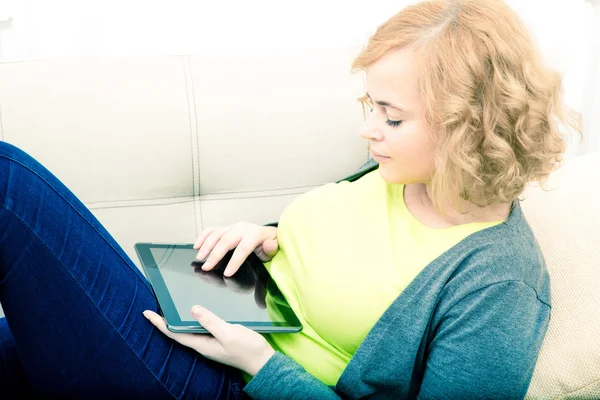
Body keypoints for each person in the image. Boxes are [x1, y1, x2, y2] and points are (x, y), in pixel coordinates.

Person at [0, 0, 581, 398]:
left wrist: (257, 362)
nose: (369, 129)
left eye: (392, 116)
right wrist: (271, 237)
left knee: (9, 187)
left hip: (231, 385)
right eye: (369, 106)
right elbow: (353, 248)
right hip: (203, 325)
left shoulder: (498, 286)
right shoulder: (403, 170)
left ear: (467, 127)